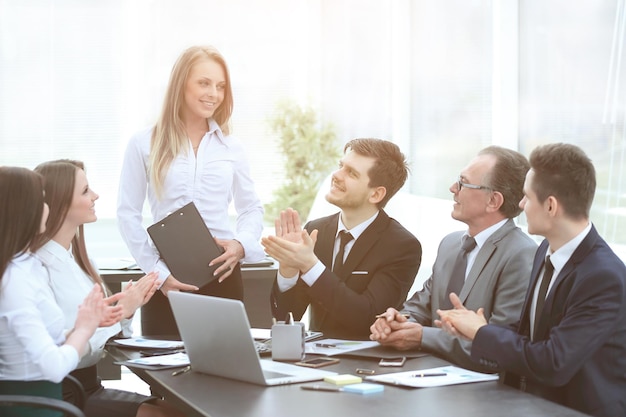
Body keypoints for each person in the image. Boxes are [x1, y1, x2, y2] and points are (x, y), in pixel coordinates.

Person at [437, 143, 626, 417]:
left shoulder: (603, 277)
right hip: (531, 406)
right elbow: (528, 335)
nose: (521, 204)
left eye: (526, 196)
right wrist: (473, 329)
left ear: (550, 206)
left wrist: (482, 332)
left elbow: (553, 361)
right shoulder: (544, 252)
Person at [117, 45, 264, 335]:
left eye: (221, 86)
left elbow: (251, 209)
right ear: (181, 83)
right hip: (166, 283)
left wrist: (239, 245)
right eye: (204, 83)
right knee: (163, 375)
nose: (214, 94)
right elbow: (127, 214)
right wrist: (159, 274)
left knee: (225, 373)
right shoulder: (143, 142)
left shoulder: (232, 148)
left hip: (222, 277)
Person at [31, 160, 183, 417]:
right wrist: (119, 313)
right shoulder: (38, 268)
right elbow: (63, 350)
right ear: (60, 202)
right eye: (85, 191)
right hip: (64, 392)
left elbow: (109, 335)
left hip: (89, 386)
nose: (95, 196)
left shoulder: (80, 262)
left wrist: (127, 310)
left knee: (181, 410)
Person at [369, 146, 537, 372]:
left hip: (484, 393)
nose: (452, 188)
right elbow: (421, 306)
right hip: (426, 378)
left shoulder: (520, 254)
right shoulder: (450, 244)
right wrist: (396, 322)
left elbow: (499, 342)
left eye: (463, 183)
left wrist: (422, 337)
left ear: (493, 201)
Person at [262, 138, 421, 339]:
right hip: (314, 360)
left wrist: (310, 265)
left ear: (376, 194)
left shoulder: (401, 246)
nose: (336, 175)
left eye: (351, 173)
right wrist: (288, 270)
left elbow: (367, 317)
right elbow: (287, 317)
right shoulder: (315, 230)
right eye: (340, 166)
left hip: (367, 364)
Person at [0, 166, 122, 415]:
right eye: (43, 200)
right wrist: (86, 329)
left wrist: (85, 324)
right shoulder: (14, 280)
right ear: (24, 210)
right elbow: (54, 366)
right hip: (34, 407)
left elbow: (44, 341)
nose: (48, 207)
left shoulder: (26, 267)